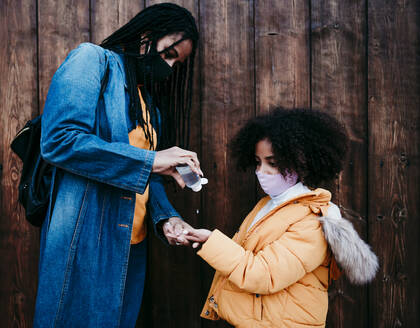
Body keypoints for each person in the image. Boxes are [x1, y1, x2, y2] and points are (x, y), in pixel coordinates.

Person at [34, 4, 200, 327]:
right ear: (146, 37)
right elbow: (59, 139)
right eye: (169, 54)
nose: (168, 67)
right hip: (88, 240)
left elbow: (142, 176)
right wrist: (154, 160)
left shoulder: (149, 106)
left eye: (176, 64)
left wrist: (167, 219)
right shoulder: (92, 61)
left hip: (132, 248)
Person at [185, 108, 379, 328]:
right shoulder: (268, 204)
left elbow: (263, 274)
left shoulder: (312, 222)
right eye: (258, 162)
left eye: (273, 163)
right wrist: (205, 240)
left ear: (301, 162)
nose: (261, 171)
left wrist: (211, 241)